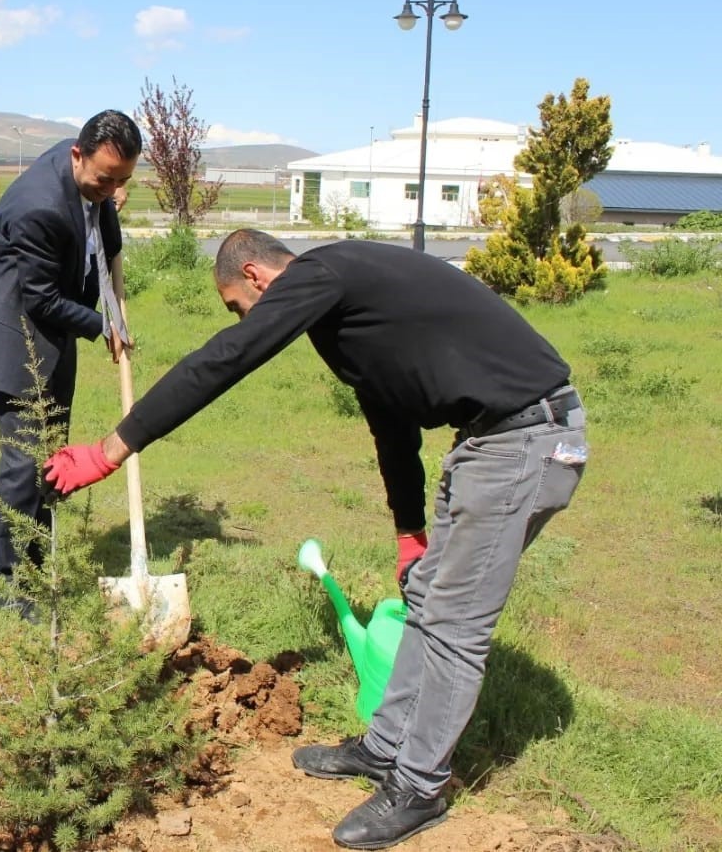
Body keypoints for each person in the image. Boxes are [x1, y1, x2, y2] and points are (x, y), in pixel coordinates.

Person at [43, 229, 588, 850]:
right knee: (431, 605)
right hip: (485, 443)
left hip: (527, 439)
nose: (248, 315)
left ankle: (420, 788)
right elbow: (390, 418)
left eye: (237, 303)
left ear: (255, 276)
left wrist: (111, 450)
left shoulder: (323, 273)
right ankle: (386, 749)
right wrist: (408, 529)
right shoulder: (347, 311)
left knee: (457, 624)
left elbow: (228, 357)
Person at [0, 110, 139, 621]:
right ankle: (9, 581)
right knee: (24, 461)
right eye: (105, 179)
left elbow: (101, 224)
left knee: (52, 455)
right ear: (77, 156)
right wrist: (104, 325)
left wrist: (109, 207)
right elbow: (40, 299)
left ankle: (39, 562)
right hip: (16, 339)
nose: (113, 189)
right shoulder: (39, 207)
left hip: (53, 339)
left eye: (123, 179)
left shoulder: (88, 173)